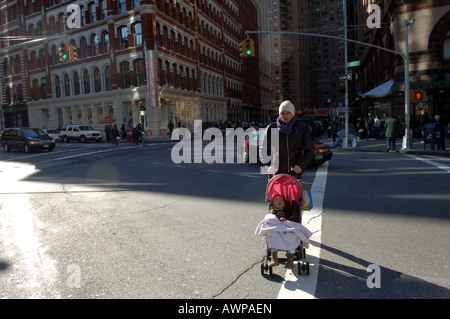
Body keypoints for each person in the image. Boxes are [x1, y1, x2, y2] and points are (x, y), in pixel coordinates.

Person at [260, 100, 314, 179]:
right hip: (276, 173)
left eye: (288, 113)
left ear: (292, 113)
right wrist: (268, 166)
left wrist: (301, 166)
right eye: (283, 113)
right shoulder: (271, 128)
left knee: (295, 191)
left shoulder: (301, 128)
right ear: (279, 113)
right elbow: (263, 150)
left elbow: (309, 150)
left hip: (295, 173)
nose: (285, 116)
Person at [255, 194, 312, 269]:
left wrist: (287, 220)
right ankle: (274, 258)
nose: (279, 201)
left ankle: (290, 260)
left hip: (288, 227)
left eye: (281, 199)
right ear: (273, 203)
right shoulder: (272, 213)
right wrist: (277, 220)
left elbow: (295, 219)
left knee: (292, 235)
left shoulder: (290, 210)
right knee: (271, 233)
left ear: (285, 202)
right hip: (276, 227)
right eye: (276, 200)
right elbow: (268, 220)